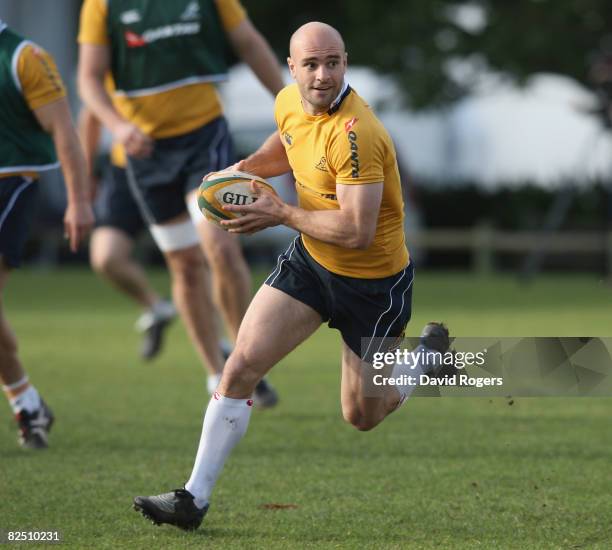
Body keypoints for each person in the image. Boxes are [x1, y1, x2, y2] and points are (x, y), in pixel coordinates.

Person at [133, 21, 452, 530]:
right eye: (311, 64)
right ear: (292, 69)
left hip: (373, 286)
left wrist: (279, 212)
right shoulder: (288, 101)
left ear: (345, 62)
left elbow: (356, 231)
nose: (323, 75)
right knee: (239, 368)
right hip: (310, 265)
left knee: (362, 416)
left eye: (333, 62)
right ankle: (192, 499)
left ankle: (424, 364)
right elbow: (287, 143)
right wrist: (241, 171)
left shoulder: (358, 134)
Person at [77, 0, 284, 403]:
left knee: (220, 247)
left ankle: (246, 362)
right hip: (144, 153)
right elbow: (88, 79)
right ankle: (215, 373)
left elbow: (249, 42)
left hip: (203, 138)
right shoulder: (102, 6)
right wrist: (118, 127)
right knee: (185, 265)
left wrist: (290, 105)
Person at [0, 20, 94, 448]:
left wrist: (78, 200)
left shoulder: (25, 58)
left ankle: (26, 402)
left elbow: (63, 130)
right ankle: (27, 402)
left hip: (12, 183)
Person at [79, 105, 176, 361]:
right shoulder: (106, 65)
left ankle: (225, 344)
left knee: (195, 262)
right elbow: (91, 114)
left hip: (180, 165)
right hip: (126, 168)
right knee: (106, 257)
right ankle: (157, 307)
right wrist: (86, 174)